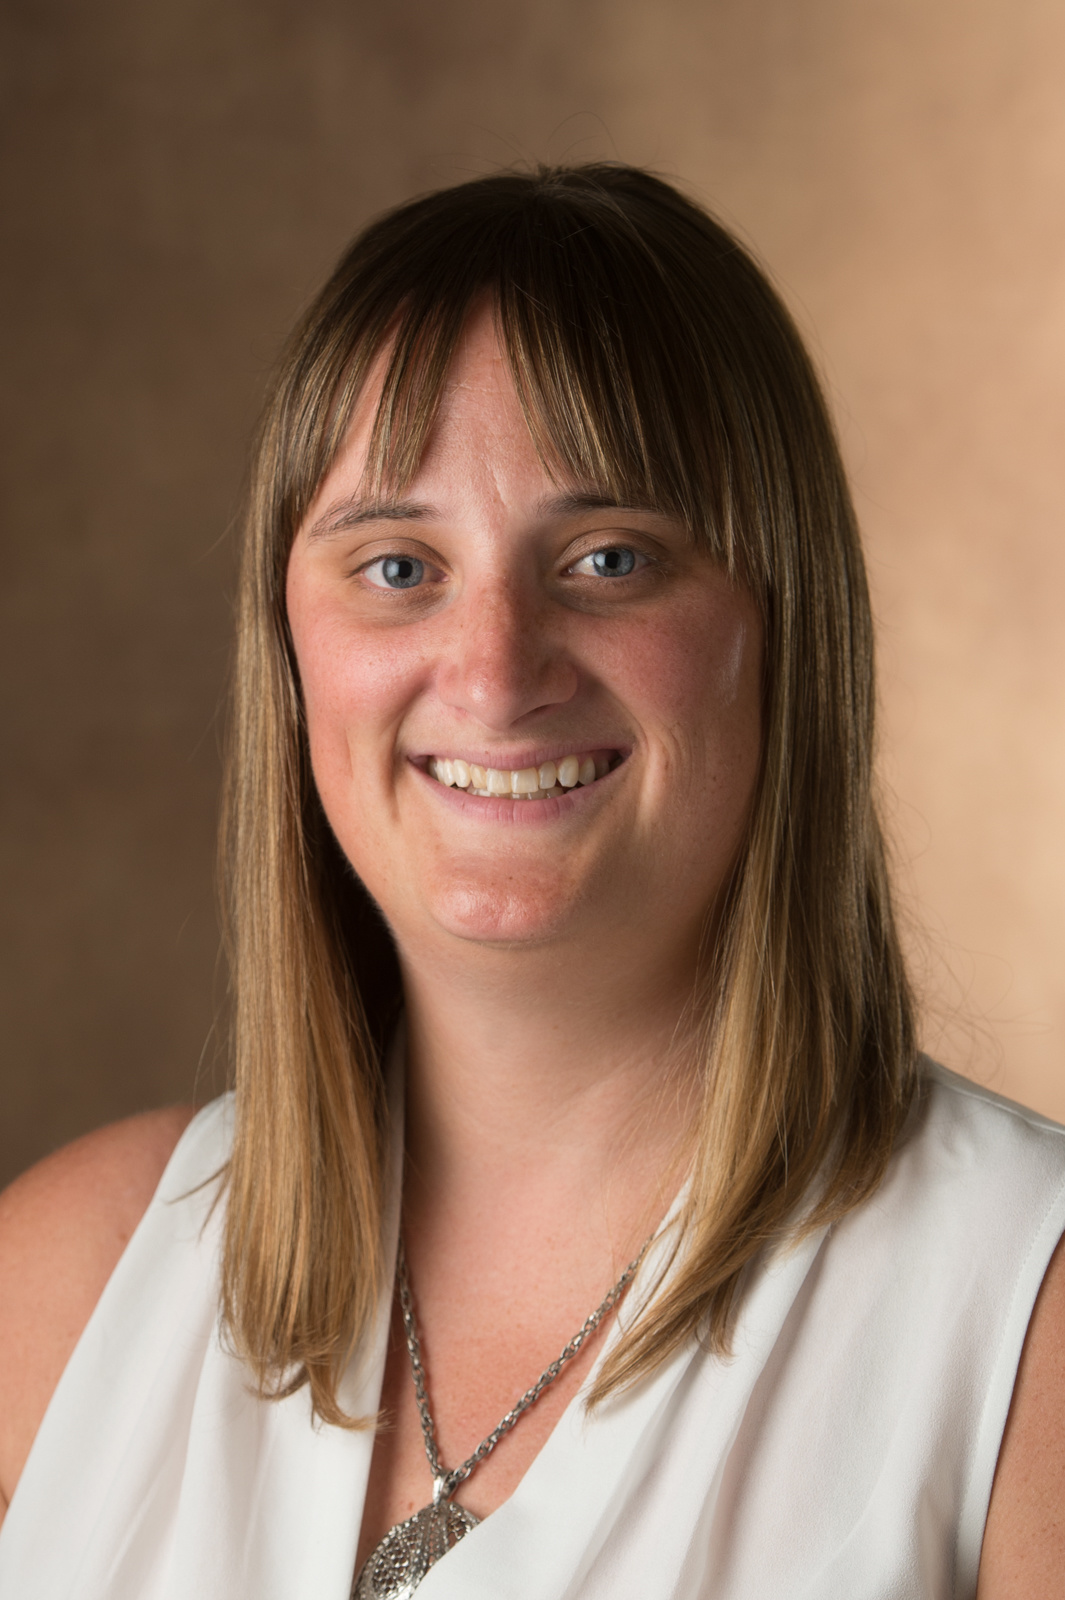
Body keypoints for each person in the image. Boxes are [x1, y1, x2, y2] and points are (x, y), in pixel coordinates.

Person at [0, 163, 1062, 1600]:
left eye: (609, 557)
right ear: (290, 653)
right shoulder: (64, 1289)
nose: (496, 669)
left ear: (781, 626)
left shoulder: (1027, 1318)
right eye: (396, 566)